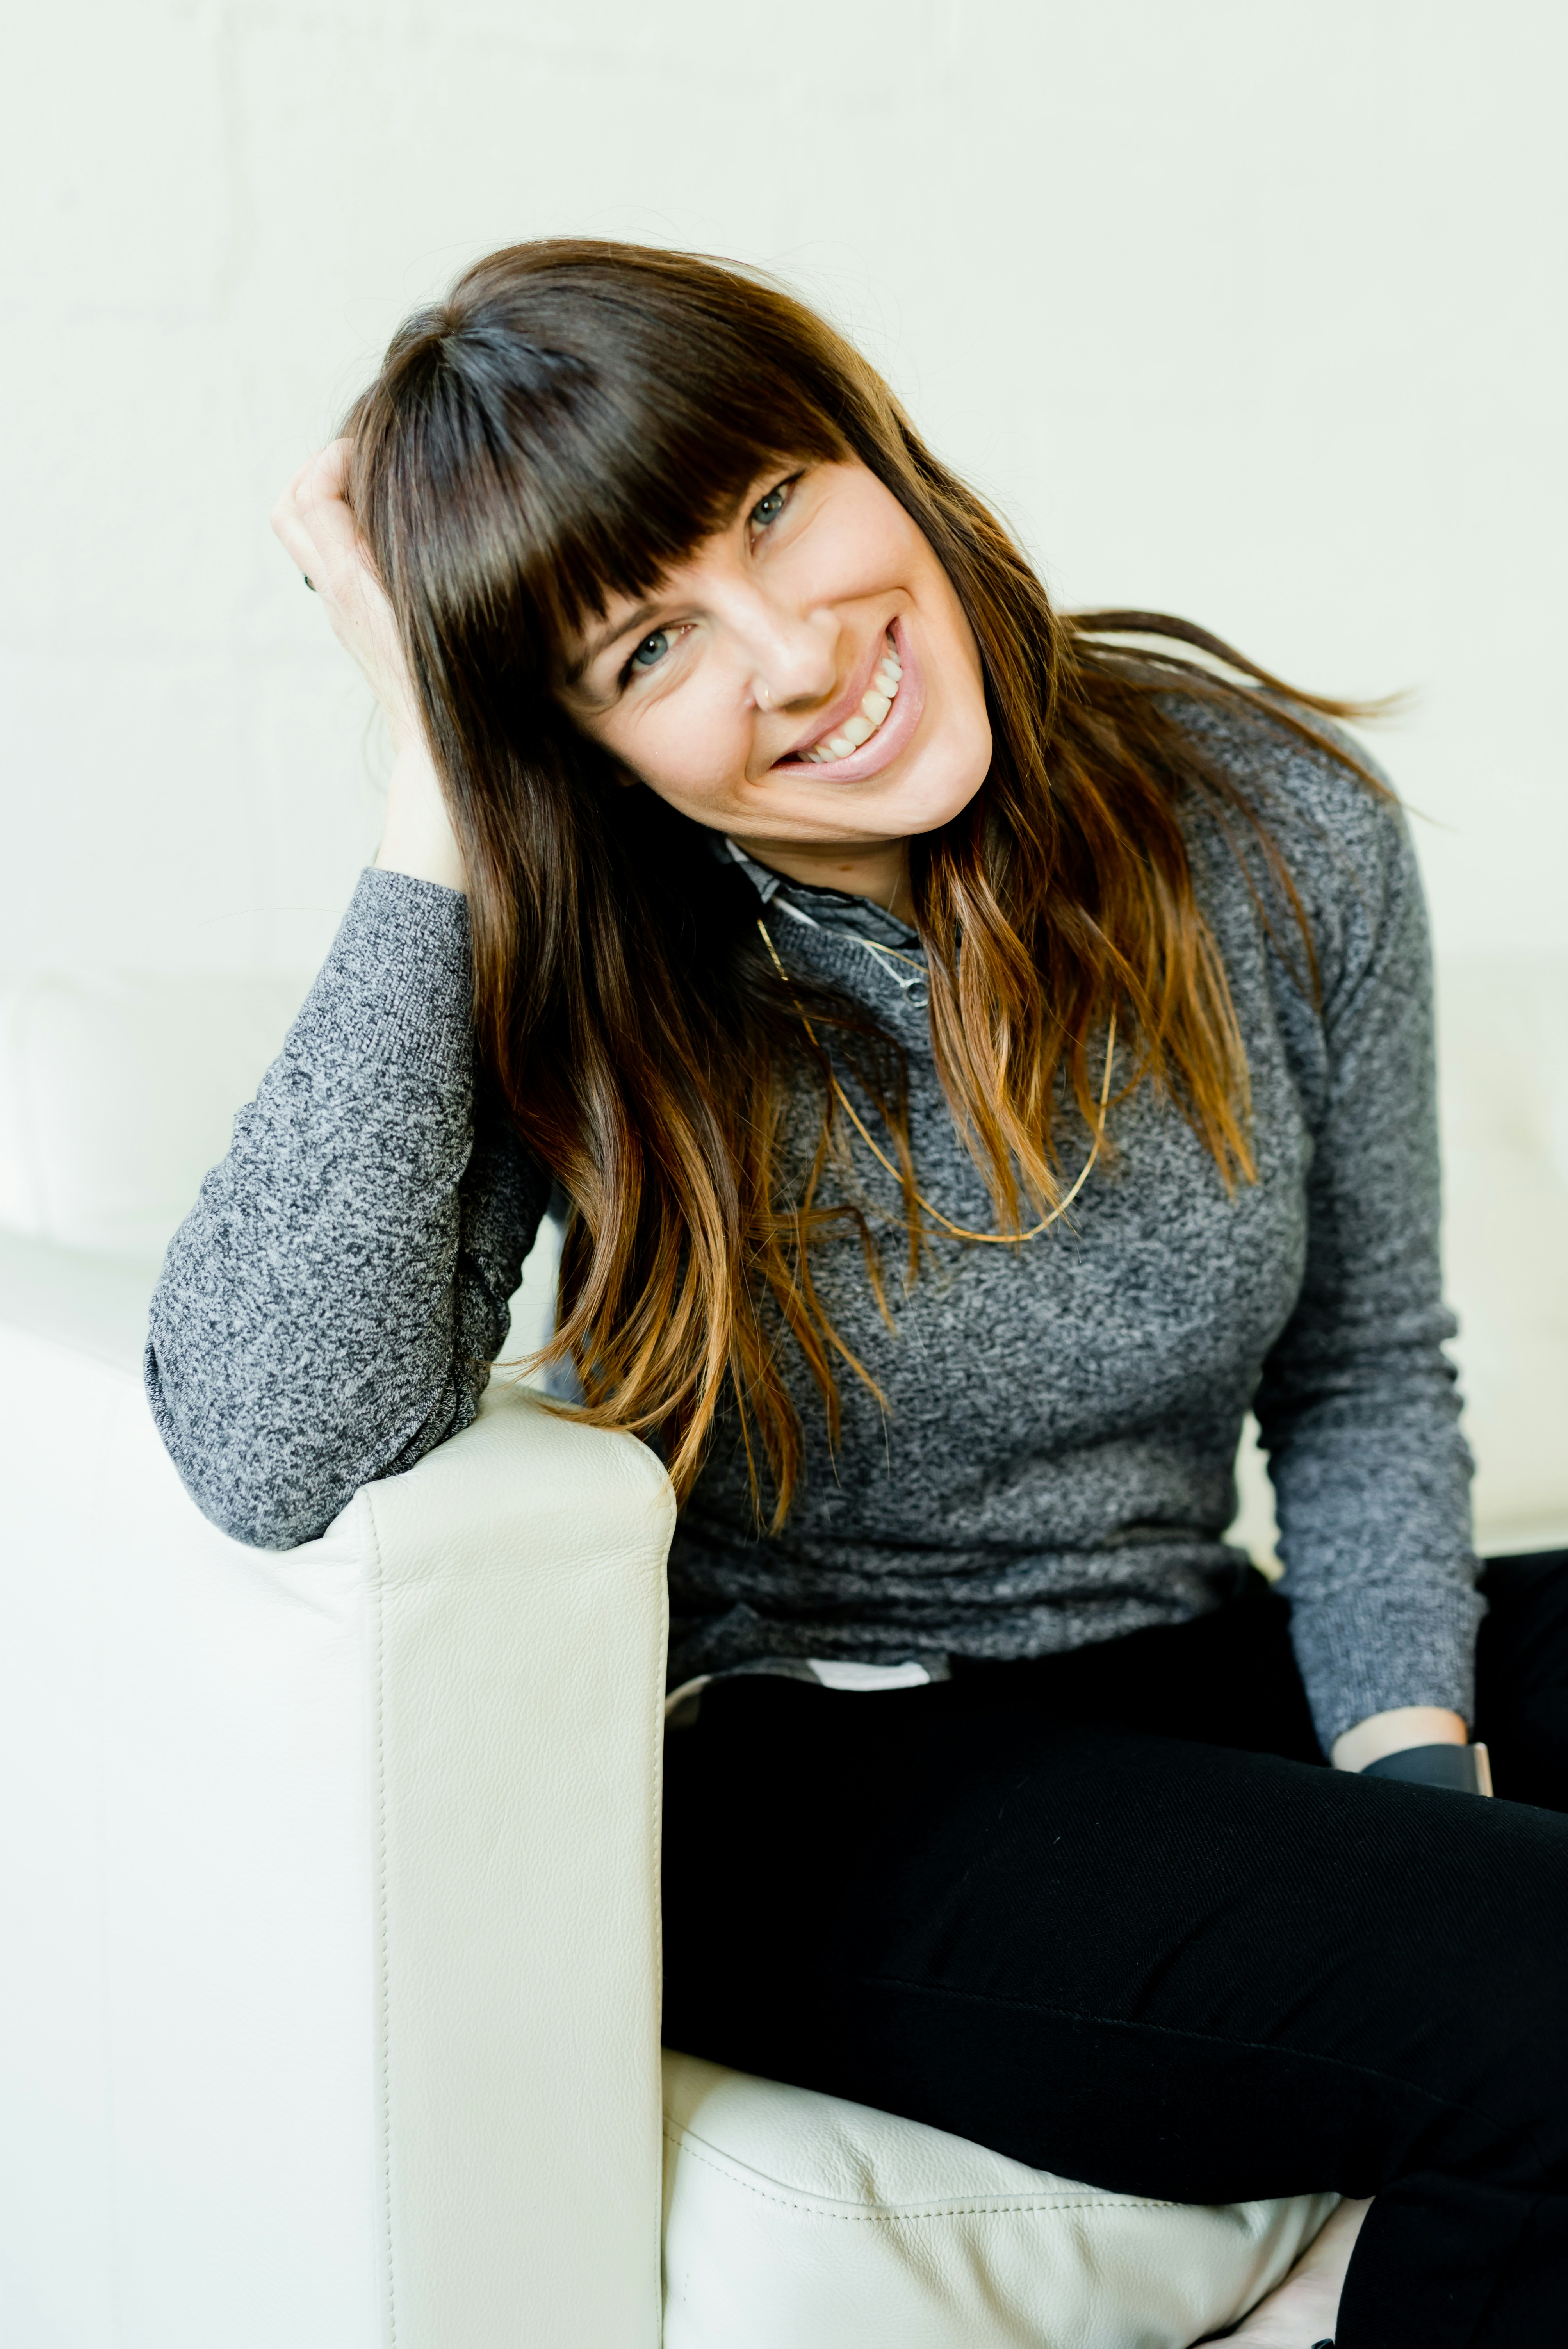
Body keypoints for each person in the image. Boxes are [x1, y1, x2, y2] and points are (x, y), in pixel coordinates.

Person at [148, 240, 1567, 2346]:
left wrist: (1416, 1793)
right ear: (570, 737)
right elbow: (273, 1441)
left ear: (871, 446)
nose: (795, 653)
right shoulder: (583, 954)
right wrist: (440, 783)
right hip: (819, 1773)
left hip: (1186, 1658)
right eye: (646, 652)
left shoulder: (1271, 826)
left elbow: (1361, 1378)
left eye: (773, 510)